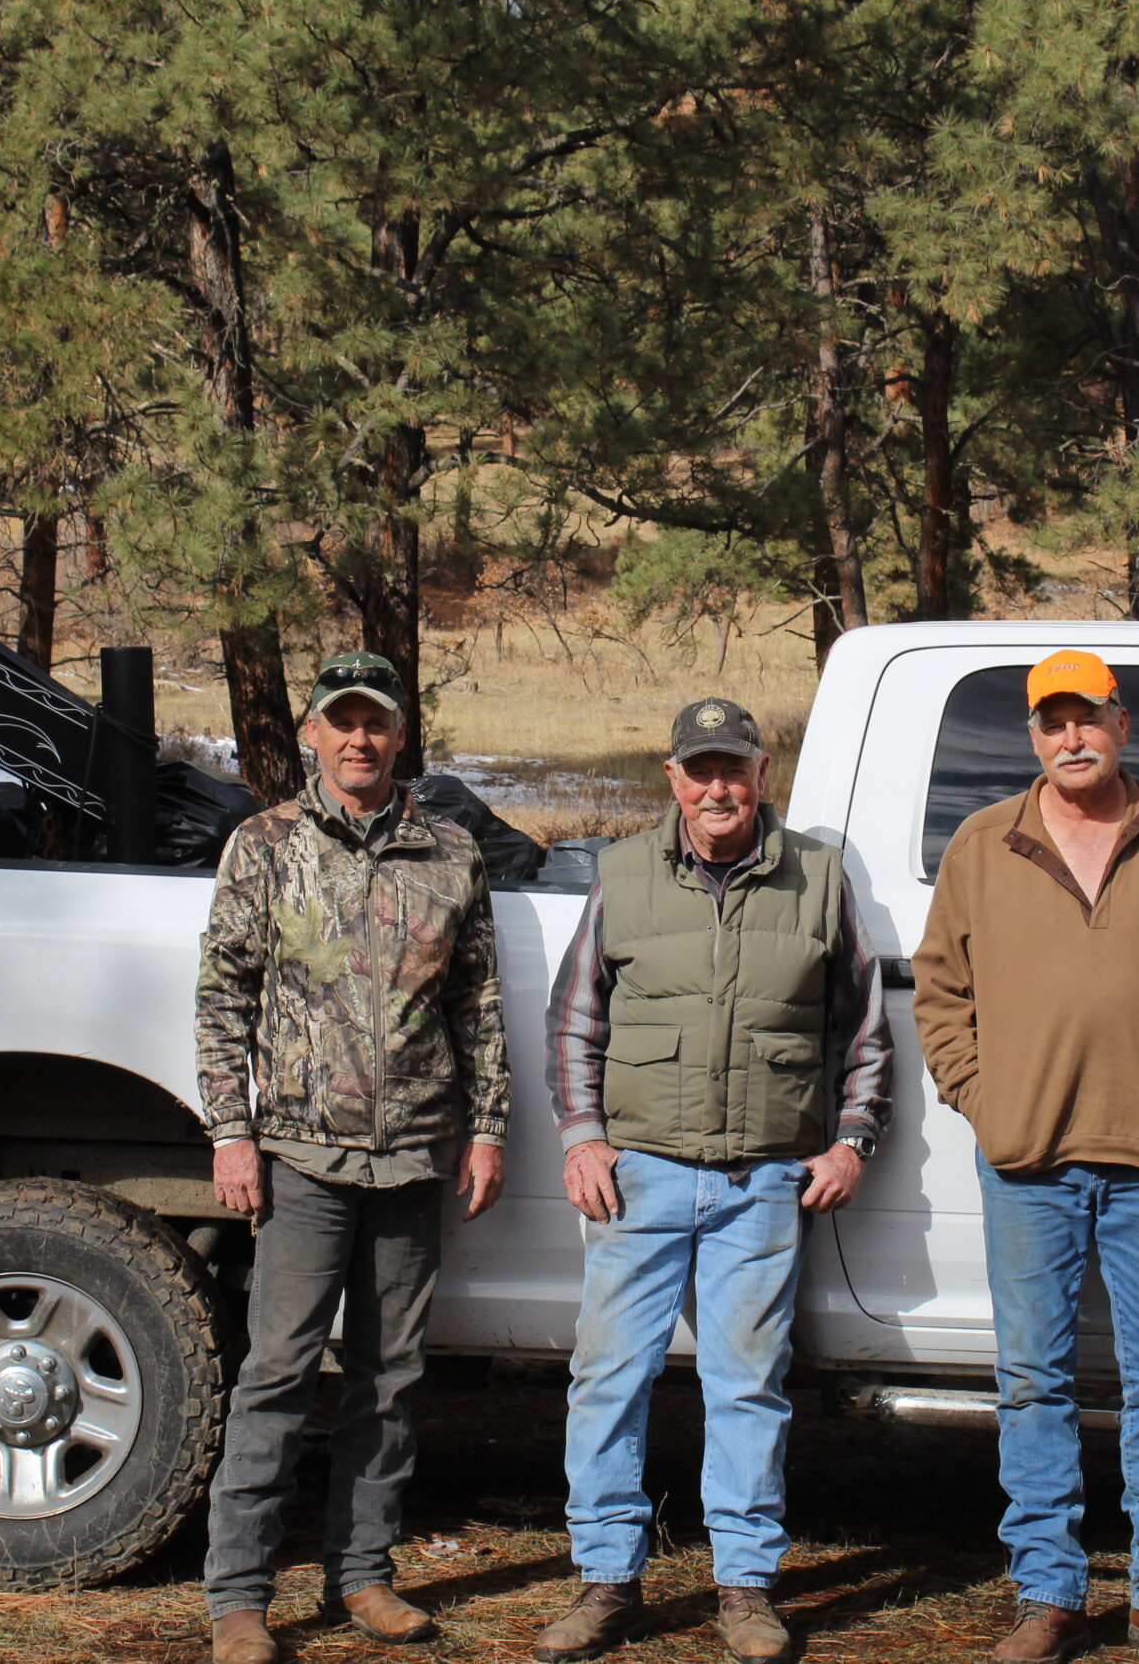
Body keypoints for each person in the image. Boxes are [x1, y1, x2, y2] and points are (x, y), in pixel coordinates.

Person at [912, 650, 1139, 1664]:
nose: (1073, 738)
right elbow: (939, 993)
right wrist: (985, 1100)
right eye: (1052, 722)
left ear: (1122, 724)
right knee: (1031, 1381)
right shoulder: (984, 844)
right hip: (1026, 1159)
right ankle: (1048, 1595)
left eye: (1089, 719)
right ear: (1032, 737)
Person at [534, 697, 893, 1664]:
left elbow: (861, 1028)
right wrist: (581, 1137)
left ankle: (745, 1588)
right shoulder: (620, 874)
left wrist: (852, 1138)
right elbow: (575, 1020)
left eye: (733, 766)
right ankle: (607, 1580)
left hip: (765, 1182)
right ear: (673, 778)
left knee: (749, 1387)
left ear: (761, 771)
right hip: (637, 1175)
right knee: (608, 1379)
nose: (717, 786)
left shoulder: (818, 876)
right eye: (700, 770)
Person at [194, 651, 510, 1664]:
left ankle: (365, 1575)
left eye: (377, 721)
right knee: (278, 1374)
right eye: (343, 721)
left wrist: (489, 1129)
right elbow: (222, 996)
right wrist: (230, 1130)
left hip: (415, 1154)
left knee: (389, 1378)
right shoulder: (265, 845)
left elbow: (480, 1008)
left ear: (401, 734)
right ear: (315, 734)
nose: (360, 738)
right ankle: (238, 1598)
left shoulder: (451, 853)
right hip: (299, 1154)